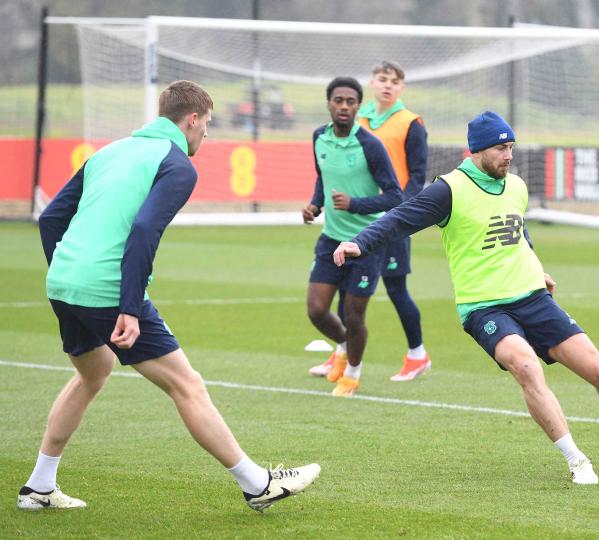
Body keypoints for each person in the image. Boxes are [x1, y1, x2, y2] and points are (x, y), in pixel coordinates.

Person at [332, 111, 599, 484]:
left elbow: (517, 232)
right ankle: (576, 460)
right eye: (502, 148)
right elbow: (399, 219)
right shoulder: (448, 190)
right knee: (526, 367)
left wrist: (538, 268)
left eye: (511, 147)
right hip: (484, 306)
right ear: (477, 150)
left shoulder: (516, 185)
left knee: (598, 370)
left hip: (533, 298)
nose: (509, 155)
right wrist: (359, 242)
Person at [21, 80, 319, 512]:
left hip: (64, 282)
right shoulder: (178, 165)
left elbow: (50, 220)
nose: (206, 134)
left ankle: (38, 487)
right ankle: (258, 484)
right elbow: (145, 230)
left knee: (93, 372)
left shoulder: (109, 151)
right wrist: (128, 307)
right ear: (192, 119)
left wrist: (70, 275)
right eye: (208, 125)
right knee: (187, 384)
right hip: (106, 288)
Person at [309, 61, 431, 383]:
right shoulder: (358, 120)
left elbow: (416, 176)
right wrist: (318, 202)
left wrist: (402, 216)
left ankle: (417, 354)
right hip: (354, 226)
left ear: (401, 87)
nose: (387, 85)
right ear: (372, 85)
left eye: (394, 81)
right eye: (382, 79)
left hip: (393, 219)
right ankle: (342, 353)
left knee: (395, 288)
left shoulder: (410, 123)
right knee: (343, 295)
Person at [302, 76, 402, 397]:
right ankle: (343, 346)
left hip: (365, 244)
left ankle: (353, 374)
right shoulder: (319, 137)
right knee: (317, 309)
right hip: (331, 239)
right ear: (329, 103)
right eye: (338, 100)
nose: (343, 106)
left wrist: (355, 204)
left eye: (350, 102)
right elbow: (323, 177)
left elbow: (395, 197)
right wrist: (316, 203)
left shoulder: (370, 145)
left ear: (359, 106)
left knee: (354, 314)